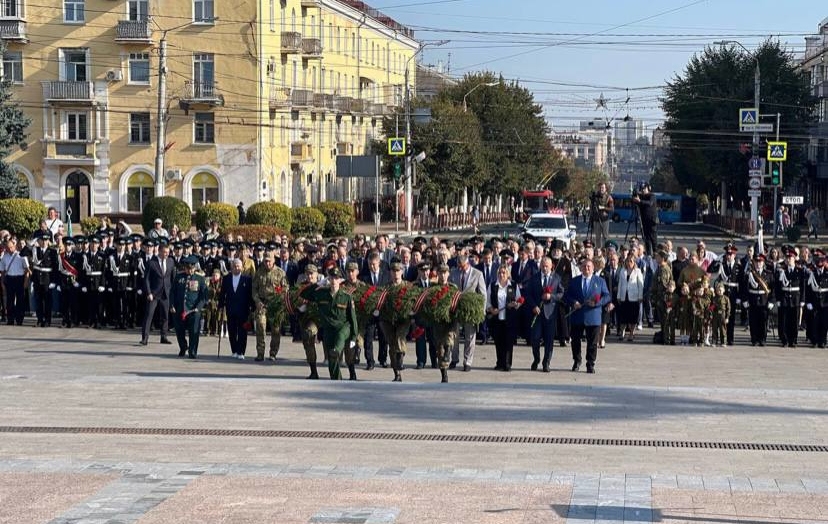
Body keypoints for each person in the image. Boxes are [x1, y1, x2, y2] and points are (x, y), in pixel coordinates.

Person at [300, 267, 360, 380]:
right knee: (332, 358)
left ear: (340, 280)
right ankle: (337, 380)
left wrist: (353, 337)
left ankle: (337, 350)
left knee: (340, 338)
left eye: (336, 278)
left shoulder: (346, 296)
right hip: (329, 329)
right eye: (331, 278)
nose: (333, 281)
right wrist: (318, 283)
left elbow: (353, 319)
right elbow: (304, 294)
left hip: (343, 326)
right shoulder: (321, 293)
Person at [564, 258, 611, 374]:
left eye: (589, 266)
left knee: (592, 343)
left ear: (593, 268)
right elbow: (566, 296)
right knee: (575, 341)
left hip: (593, 316)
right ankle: (577, 361)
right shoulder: (574, 281)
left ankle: (590, 363)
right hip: (577, 316)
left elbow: (607, 296)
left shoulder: (599, 281)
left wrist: (597, 303)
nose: (587, 268)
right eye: (584, 266)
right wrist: (573, 302)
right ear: (580, 268)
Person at [523, 257, 563, 372]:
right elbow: (528, 294)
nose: (545, 268)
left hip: (550, 314)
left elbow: (561, 294)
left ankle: (546, 362)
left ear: (551, 266)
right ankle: (536, 358)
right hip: (537, 313)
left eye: (547, 266)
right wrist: (534, 306)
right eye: (543, 266)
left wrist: (552, 297)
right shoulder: (534, 278)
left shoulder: (556, 278)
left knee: (549, 340)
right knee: (535, 338)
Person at [449, 254, 486, 372]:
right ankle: (454, 359)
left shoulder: (477, 274)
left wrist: (482, 311)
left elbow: (483, 294)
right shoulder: (454, 273)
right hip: (456, 308)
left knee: (470, 336)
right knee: (454, 335)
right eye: (459, 266)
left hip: (471, 310)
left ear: (468, 264)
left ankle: (468, 361)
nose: (461, 269)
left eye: (463, 266)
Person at [251, 252, 288, 362]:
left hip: (275, 305)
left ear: (273, 261)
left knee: (275, 330)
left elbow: (285, 289)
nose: (267, 263)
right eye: (265, 261)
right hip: (262, 304)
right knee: (260, 326)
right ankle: (260, 353)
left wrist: (279, 300)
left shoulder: (280, 273)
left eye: (269, 261)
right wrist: (257, 301)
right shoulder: (259, 272)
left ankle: (273, 353)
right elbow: (254, 289)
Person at [170, 255, 208, 358]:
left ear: (195, 268)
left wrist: (198, 308)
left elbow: (204, 296)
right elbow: (172, 292)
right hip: (180, 309)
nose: (190, 271)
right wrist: (172, 305)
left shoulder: (200, 279)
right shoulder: (179, 277)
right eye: (188, 269)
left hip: (193, 310)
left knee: (194, 332)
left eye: (192, 269)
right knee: (179, 331)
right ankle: (183, 347)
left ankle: (193, 351)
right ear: (185, 268)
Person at [485, 264, 522, 372]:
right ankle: (499, 362)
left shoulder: (513, 285)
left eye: (504, 273)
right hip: (497, 318)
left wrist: (515, 304)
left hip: (509, 319)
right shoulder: (492, 286)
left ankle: (507, 363)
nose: (502, 275)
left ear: (508, 274)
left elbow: (519, 300)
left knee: (508, 342)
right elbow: (487, 302)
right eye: (500, 273)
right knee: (498, 341)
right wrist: (491, 309)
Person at [218, 258, 253, 359]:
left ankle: (241, 352)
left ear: (242, 267)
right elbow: (222, 293)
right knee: (232, 331)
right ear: (231, 267)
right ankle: (234, 350)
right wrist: (220, 305)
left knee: (242, 331)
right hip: (230, 308)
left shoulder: (247, 279)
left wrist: (253, 307)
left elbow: (250, 295)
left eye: (238, 266)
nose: (236, 268)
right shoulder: (227, 278)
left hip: (243, 309)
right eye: (234, 266)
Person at [140, 243, 174, 346]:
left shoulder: (171, 261)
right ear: (159, 251)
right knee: (149, 315)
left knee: (165, 316)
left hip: (165, 293)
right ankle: (145, 338)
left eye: (168, 252)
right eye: (164, 252)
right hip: (154, 293)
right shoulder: (151, 263)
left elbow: (172, 278)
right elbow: (146, 279)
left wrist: (172, 292)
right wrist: (149, 292)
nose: (166, 254)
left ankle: (164, 336)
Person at [775, 248, 806, 347]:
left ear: (794, 259)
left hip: (795, 298)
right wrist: (778, 299)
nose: (788, 260)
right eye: (787, 258)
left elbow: (803, 287)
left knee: (794, 321)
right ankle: (785, 340)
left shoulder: (799, 271)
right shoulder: (782, 271)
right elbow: (778, 287)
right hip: (784, 298)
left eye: (790, 258)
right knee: (784, 321)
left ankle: (793, 340)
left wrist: (802, 300)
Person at [743, 253, 774, 346]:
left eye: (760, 261)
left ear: (763, 262)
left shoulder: (768, 274)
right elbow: (745, 288)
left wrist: (771, 301)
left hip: (764, 300)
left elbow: (773, 289)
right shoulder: (750, 274)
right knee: (753, 321)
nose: (758, 263)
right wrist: (745, 300)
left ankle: (762, 339)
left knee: (763, 321)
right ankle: (754, 339)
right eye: (756, 261)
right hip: (752, 299)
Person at [0, 237, 30, 325]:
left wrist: (26, 281)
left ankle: (19, 319)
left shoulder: (21, 256)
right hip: (9, 279)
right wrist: (2, 283)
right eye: (8, 248)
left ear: (15, 246)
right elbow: (3, 272)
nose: (10, 249)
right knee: (10, 300)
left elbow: (27, 270)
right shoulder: (4, 258)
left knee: (20, 300)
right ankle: (10, 319)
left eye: (11, 247)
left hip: (19, 279)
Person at [616, 255, 644, 342]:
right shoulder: (622, 271)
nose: (629, 263)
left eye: (631, 261)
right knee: (623, 316)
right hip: (624, 297)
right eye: (628, 261)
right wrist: (619, 296)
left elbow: (640, 285)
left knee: (633, 317)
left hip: (634, 297)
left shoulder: (637, 271)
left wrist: (640, 296)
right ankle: (622, 332)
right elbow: (620, 284)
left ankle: (631, 333)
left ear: (634, 262)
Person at [631, 183, 657, 256]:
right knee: (646, 239)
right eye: (641, 189)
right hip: (644, 221)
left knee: (653, 239)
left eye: (644, 189)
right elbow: (634, 203)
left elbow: (650, 203)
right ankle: (648, 254)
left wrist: (640, 201)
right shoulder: (641, 196)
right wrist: (634, 198)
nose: (643, 190)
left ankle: (656, 253)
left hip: (652, 221)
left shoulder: (652, 196)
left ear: (648, 188)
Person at [588, 182, 614, 249]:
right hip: (596, 219)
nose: (601, 189)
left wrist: (603, 208)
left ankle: (605, 250)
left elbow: (612, 209)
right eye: (600, 187)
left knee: (605, 236)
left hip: (604, 219)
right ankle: (598, 250)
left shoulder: (609, 197)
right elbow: (591, 207)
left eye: (603, 187)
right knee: (597, 237)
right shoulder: (595, 196)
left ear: (605, 189)